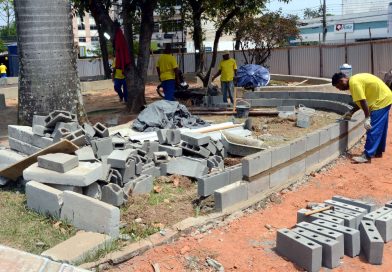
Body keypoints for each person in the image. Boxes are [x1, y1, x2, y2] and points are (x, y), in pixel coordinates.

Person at [332, 72, 392, 163]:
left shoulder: (354, 83)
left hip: (380, 101)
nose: (340, 89)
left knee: (373, 128)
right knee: (380, 128)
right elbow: (360, 100)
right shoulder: (354, 80)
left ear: (342, 81)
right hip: (385, 97)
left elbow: (363, 101)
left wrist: (367, 118)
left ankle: (367, 156)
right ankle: (378, 151)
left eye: (338, 86)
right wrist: (351, 112)